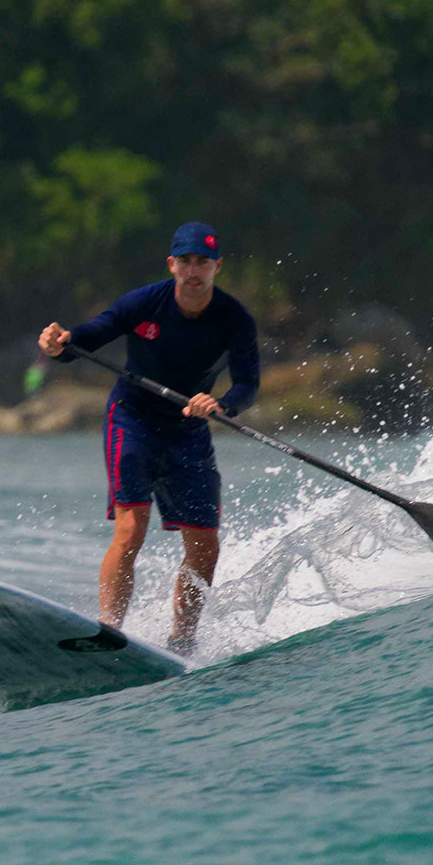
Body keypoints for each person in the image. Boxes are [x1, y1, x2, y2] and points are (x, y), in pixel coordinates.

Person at [38, 222, 260, 654]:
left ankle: (181, 643)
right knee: (131, 526)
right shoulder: (144, 303)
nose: (193, 271)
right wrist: (59, 345)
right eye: (186, 262)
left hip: (188, 431)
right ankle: (109, 631)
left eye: (203, 263)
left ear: (217, 267)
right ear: (172, 264)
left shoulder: (235, 320)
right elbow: (89, 336)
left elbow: (247, 385)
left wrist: (220, 405)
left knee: (205, 545)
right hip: (133, 420)